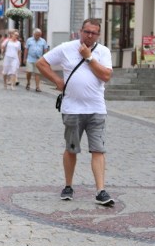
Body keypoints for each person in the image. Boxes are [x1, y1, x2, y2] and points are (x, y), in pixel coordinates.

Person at [36, 18, 114, 207]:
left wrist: (88, 57)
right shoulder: (66, 48)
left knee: (98, 149)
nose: (89, 35)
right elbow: (41, 63)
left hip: (96, 109)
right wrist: (57, 81)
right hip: (72, 108)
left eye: (93, 33)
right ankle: (68, 185)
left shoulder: (103, 52)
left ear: (98, 35)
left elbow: (106, 75)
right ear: (80, 31)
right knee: (71, 149)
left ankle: (100, 191)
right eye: (86, 31)